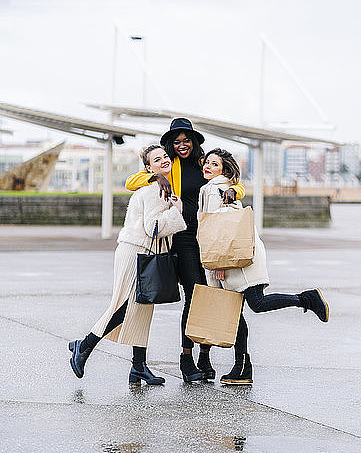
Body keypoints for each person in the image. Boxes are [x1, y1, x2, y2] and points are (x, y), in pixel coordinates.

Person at [125, 117, 246, 382]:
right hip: (175, 239)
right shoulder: (168, 166)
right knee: (173, 296)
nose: (182, 145)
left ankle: (200, 357)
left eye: (187, 140)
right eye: (177, 142)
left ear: (194, 142)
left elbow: (230, 181)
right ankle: (169, 360)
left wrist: (234, 191)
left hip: (201, 238)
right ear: (170, 144)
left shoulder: (201, 163)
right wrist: (155, 176)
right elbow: (131, 182)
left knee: (203, 296)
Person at [198, 148, 330, 385]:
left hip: (237, 259)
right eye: (207, 162)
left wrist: (219, 261)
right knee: (235, 314)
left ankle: (306, 299)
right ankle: (242, 368)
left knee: (256, 304)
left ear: (224, 170)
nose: (208, 166)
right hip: (235, 257)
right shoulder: (212, 188)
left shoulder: (218, 189)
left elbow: (222, 227)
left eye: (214, 164)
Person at [68, 145, 186, 386]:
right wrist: (177, 210)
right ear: (148, 167)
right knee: (123, 305)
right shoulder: (155, 188)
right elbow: (153, 227)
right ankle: (85, 346)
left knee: (143, 308)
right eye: (157, 159)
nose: (164, 160)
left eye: (165, 157)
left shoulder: (161, 186)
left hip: (142, 251)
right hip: (136, 251)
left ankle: (138, 366)